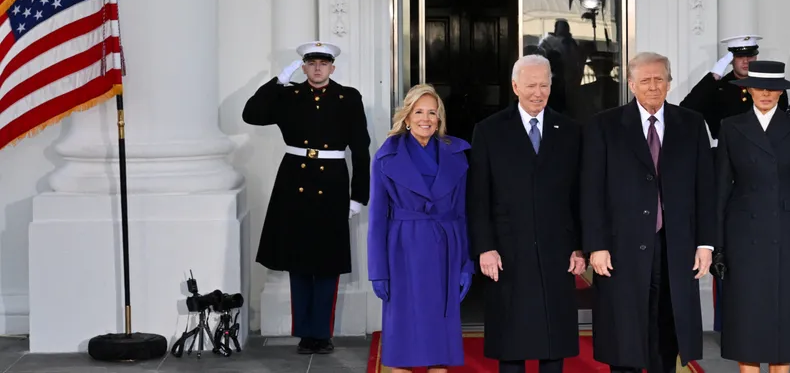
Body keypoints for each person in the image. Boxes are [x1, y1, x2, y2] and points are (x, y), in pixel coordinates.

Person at [580, 52, 715, 373]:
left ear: (669, 83)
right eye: (645, 80)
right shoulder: (604, 125)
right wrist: (595, 246)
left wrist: (706, 244)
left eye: (659, 79)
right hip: (620, 248)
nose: (653, 86)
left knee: (668, 332)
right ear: (631, 84)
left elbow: (705, 189)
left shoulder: (692, 124)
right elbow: (591, 191)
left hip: (675, 247)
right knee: (624, 333)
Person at [242, 41, 370, 355]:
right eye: (311, 62)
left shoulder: (348, 98)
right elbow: (252, 114)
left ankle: (321, 334)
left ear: (332, 67)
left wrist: (358, 196)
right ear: (302, 67)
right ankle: (304, 333)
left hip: (333, 183)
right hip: (294, 181)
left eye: (323, 63)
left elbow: (361, 149)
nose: (317, 68)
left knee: (327, 263)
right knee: (297, 262)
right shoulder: (289, 95)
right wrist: (279, 81)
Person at [468, 54, 586, 373]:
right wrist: (484, 247)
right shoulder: (489, 130)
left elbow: (578, 196)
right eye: (531, 85)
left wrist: (579, 245)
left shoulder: (571, 130)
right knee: (511, 340)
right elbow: (478, 196)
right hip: (507, 250)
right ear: (515, 86)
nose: (538, 92)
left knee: (554, 339)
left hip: (556, 251)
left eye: (544, 85)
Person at [710, 60, 790, 373]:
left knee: (783, 318)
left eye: (773, 89)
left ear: (780, 92)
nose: (766, 94)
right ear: (748, 89)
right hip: (742, 236)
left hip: (787, 235)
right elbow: (720, 190)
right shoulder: (731, 127)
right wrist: (717, 245)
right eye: (760, 87)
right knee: (747, 317)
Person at [679, 34, 788, 333]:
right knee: (727, 246)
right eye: (740, 57)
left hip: (764, 175)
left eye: (750, 56)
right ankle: (729, 321)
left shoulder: (771, 89)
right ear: (731, 59)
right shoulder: (720, 88)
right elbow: (687, 109)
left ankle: (765, 317)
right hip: (726, 173)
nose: (746, 62)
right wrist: (714, 75)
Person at [367, 84, 474, 373]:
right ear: (406, 116)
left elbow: (463, 214)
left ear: (439, 119)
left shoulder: (457, 155)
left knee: (440, 345)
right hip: (403, 253)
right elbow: (377, 218)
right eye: (419, 111)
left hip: (445, 251)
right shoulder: (386, 157)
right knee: (402, 343)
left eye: (432, 112)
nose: (426, 118)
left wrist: (466, 263)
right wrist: (378, 271)